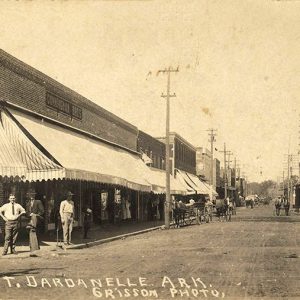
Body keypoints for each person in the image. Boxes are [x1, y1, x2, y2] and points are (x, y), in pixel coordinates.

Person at [25, 188, 44, 256]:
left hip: (37, 220)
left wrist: (36, 214)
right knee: (31, 234)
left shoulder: (38, 202)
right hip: (30, 221)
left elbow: (42, 211)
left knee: (37, 234)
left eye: (33, 194)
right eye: (30, 194)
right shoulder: (27, 203)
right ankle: (32, 248)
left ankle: (37, 247)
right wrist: (29, 214)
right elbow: (26, 212)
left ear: (35, 195)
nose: (32, 196)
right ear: (29, 195)